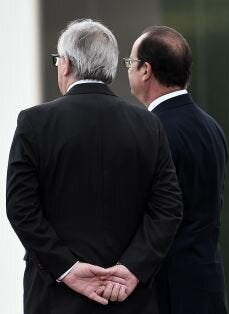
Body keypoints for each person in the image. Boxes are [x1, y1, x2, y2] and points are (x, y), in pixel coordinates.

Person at [5, 19, 183, 313]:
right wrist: (132, 268)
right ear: (110, 69)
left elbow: (21, 208)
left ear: (66, 65)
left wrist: (67, 269)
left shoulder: (34, 123)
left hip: (55, 296)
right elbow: (168, 208)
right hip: (128, 299)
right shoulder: (148, 124)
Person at [126, 26, 229, 314]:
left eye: (129, 63)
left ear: (146, 70)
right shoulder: (212, 127)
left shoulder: (152, 130)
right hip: (208, 282)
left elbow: (149, 214)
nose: (128, 71)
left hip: (167, 289)